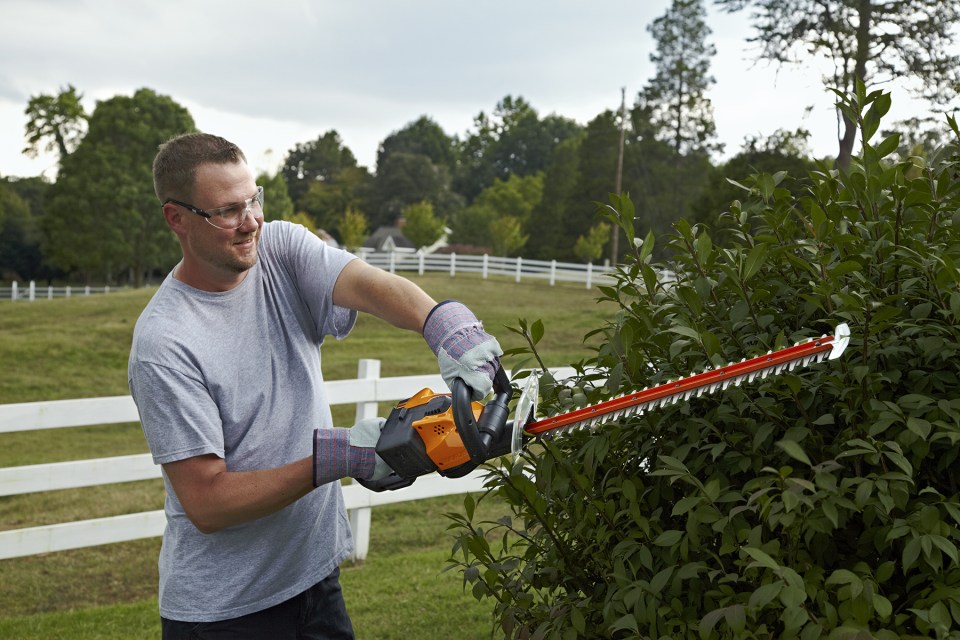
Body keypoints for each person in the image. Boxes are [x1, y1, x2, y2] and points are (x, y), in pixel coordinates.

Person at [127, 132, 503, 639]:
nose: (251, 221)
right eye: (228, 211)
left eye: (254, 199)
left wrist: (440, 323)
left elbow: (369, 284)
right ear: (177, 218)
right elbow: (207, 503)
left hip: (314, 581)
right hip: (224, 613)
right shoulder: (166, 342)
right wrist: (339, 458)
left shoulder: (278, 249)